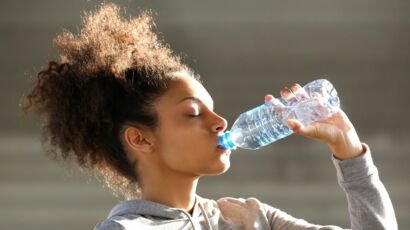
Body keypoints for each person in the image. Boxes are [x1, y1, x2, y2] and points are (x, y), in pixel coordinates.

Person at [23, 3, 397, 230]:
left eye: (213, 109)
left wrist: (350, 155)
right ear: (141, 138)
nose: (220, 122)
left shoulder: (249, 217)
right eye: (192, 113)